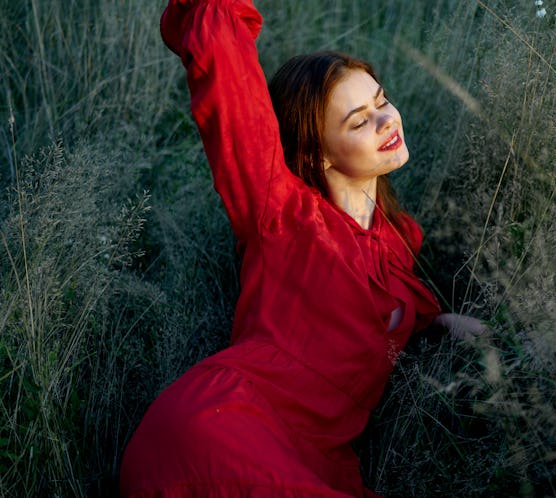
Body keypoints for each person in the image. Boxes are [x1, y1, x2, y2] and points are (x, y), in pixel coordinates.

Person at [120, 1, 487, 496]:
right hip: (223, 426)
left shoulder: (399, 240)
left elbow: (405, 323)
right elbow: (232, 92)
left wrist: (456, 327)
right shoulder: (284, 216)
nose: (385, 120)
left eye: (381, 100)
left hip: (311, 453)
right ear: (316, 152)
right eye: (358, 121)